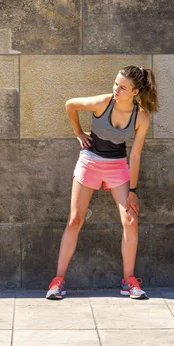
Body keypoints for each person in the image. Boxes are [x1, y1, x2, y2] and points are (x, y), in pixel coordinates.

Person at [46, 65, 159, 300]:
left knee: (130, 220)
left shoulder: (142, 117)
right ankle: (58, 281)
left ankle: (129, 281)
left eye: (123, 87)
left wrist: (133, 191)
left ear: (135, 92)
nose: (116, 89)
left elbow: (135, 155)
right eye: (116, 84)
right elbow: (70, 105)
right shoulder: (102, 102)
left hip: (117, 166)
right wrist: (78, 132)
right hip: (90, 161)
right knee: (75, 220)